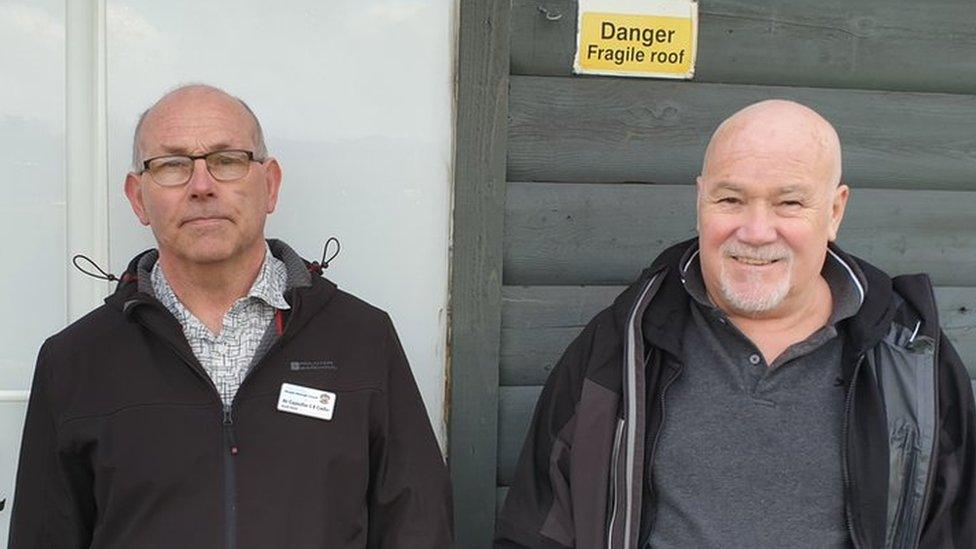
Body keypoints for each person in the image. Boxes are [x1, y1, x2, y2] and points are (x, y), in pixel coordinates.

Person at [496, 100, 975, 548]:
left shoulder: (911, 359)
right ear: (700, 199)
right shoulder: (619, 346)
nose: (755, 231)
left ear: (834, 211)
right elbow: (537, 528)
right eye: (730, 199)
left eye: (789, 203)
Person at [10, 84, 453, 548]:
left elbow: (416, 526)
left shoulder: (361, 339)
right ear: (138, 197)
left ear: (271, 184)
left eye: (227, 160)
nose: (202, 186)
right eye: (172, 165)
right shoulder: (75, 361)